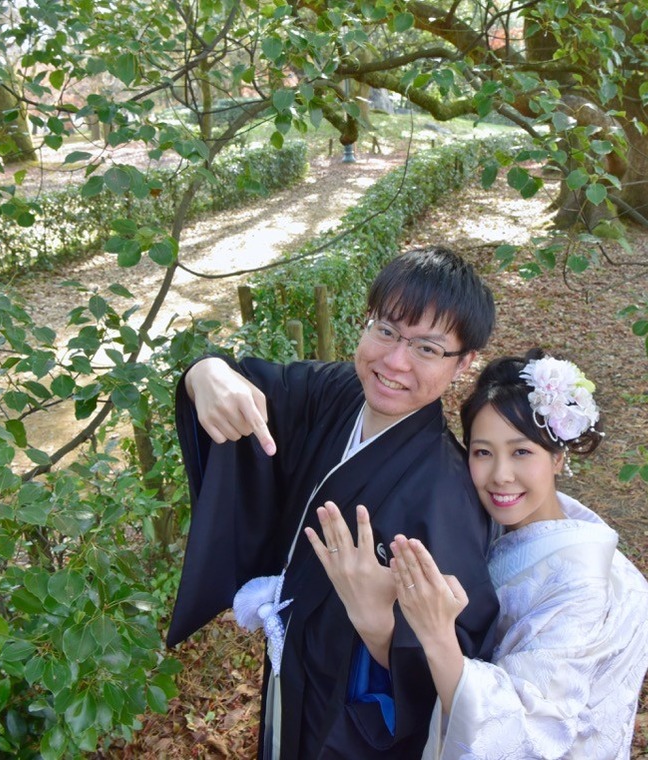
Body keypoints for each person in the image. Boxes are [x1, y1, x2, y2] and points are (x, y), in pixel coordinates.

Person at [166, 246, 501, 759]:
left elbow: (447, 676)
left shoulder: (444, 496)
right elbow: (250, 387)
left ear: (465, 362)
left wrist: (378, 623)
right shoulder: (340, 392)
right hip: (290, 664)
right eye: (385, 330)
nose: (394, 361)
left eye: (427, 349)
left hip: (349, 723)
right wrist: (205, 372)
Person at [308, 349, 648, 759]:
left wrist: (437, 635)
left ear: (558, 456)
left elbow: (525, 736)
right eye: (482, 452)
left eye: (521, 452)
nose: (500, 475)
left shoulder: (582, 585)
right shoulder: (497, 527)